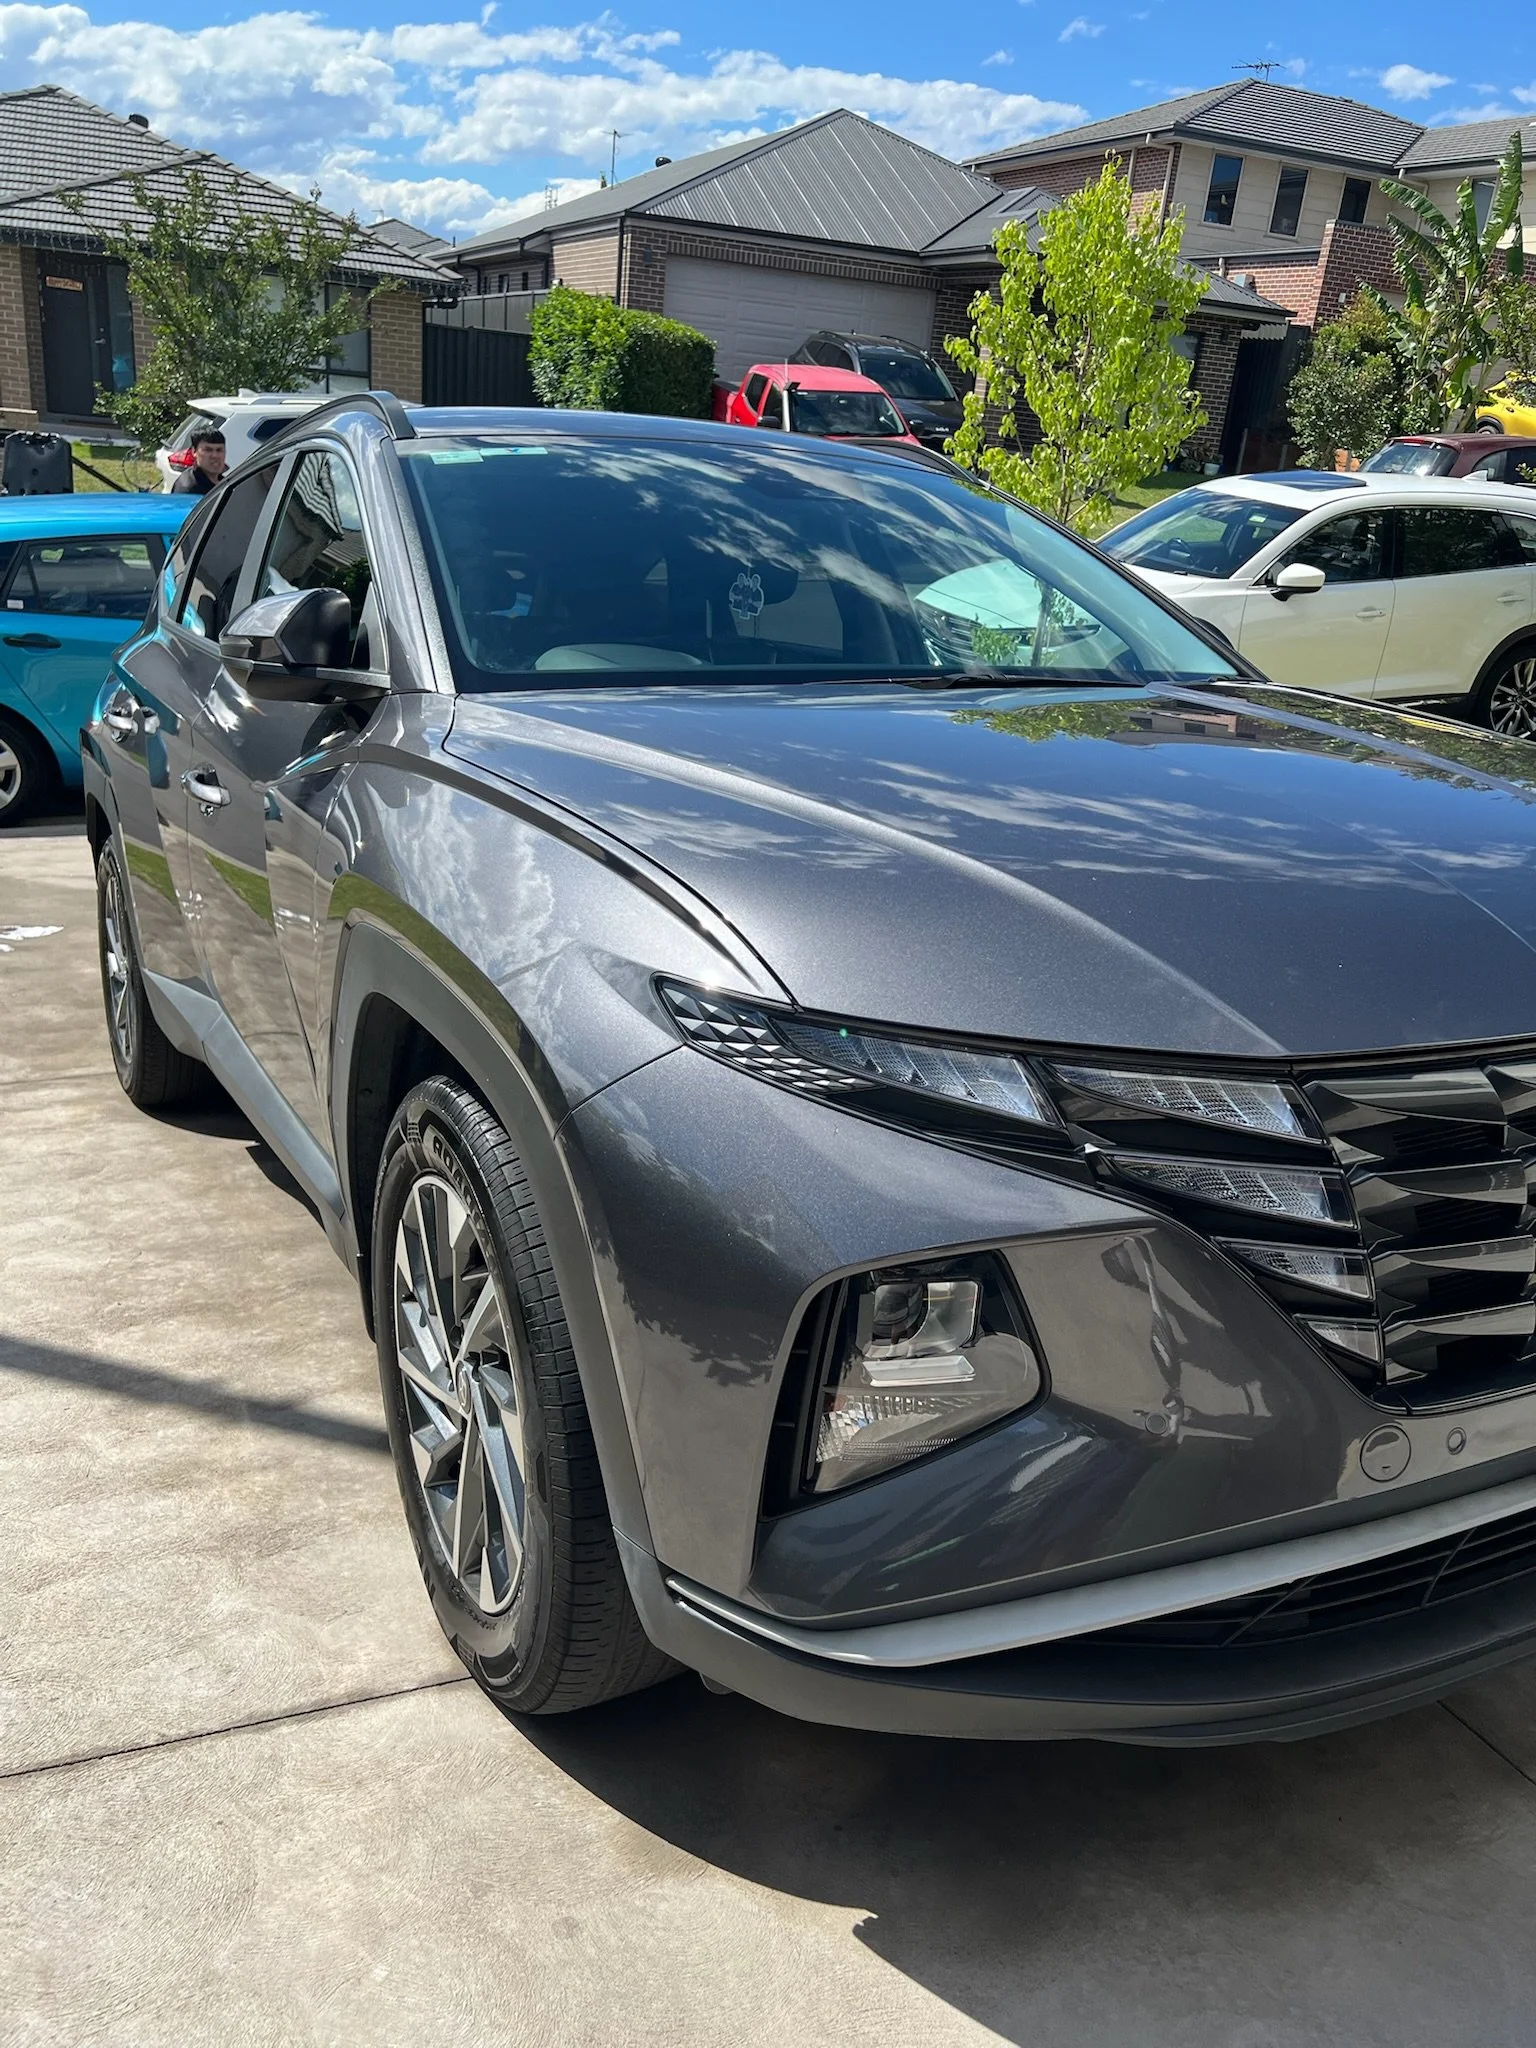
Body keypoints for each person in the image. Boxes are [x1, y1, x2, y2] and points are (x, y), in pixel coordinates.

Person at [172, 428, 227, 495]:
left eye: (219, 450)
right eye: (208, 450)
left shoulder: (223, 479)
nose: (215, 455)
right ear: (194, 451)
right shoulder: (188, 491)